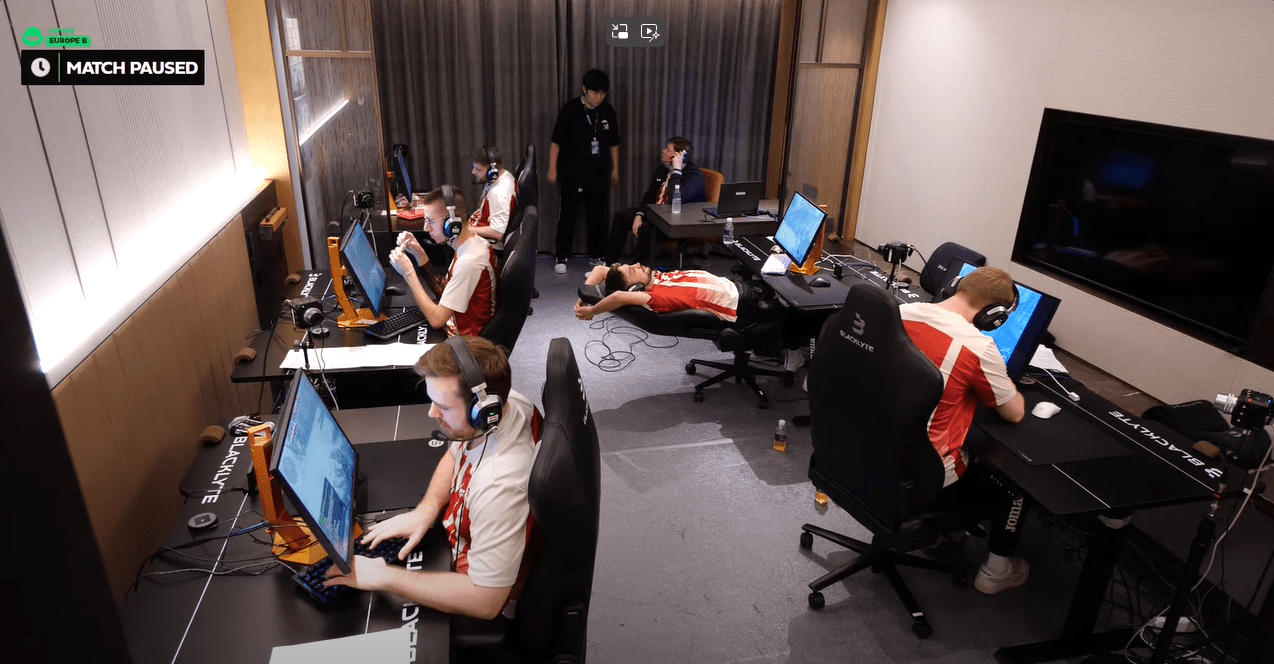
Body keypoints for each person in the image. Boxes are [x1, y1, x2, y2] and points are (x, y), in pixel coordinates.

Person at [324, 336, 538, 620]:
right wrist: (427, 509)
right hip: (458, 544)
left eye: (443, 407)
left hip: (473, 595)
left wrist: (386, 577)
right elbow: (455, 452)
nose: (431, 413)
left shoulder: (499, 484)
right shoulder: (503, 407)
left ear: (483, 412)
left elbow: (486, 602)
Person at [898, 266, 1030, 595]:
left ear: (955, 287)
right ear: (994, 316)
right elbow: (1014, 413)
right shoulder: (978, 347)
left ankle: (950, 535)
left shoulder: (900, 312)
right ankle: (996, 571)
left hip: (866, 446)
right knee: (1014, 481)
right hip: (922, 471)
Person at [389, 186, 499, 337]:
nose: (426, 228)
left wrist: (408, 273)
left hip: (467, 343)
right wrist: (419, 253)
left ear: (452, 224)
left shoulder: (469, 261)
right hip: (460, 328)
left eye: (430, 221)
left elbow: (436, 320)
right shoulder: (470, 244)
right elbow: (445, 291)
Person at [549, 68, 621, 274]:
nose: (599, 97)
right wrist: (552, 168)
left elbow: (614, 143)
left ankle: (597, 255)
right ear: (584, 90)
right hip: (571, 171)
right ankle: (561, 255)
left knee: (598, 215)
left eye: (602, 94)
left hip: (598, 172)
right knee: (568, 215)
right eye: (595, 93)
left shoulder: (607, 111)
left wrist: (615, 168)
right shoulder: (570, 109)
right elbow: (556, 142)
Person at [604, 136, 707, 265]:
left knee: (646, 228)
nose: (663, 151)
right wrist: (639, 214)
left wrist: (676, 171)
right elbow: (649, 195)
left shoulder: (693, 176)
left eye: (668, 149)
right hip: (656, 215)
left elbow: (676, 198)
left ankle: (637, 266)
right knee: (621, 216)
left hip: (673, 223)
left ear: (679, 156)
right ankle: (609, 264)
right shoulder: (663, 168)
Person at [573, 262, 741, 322]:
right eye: (632, 271)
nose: (637, 264)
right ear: (634, 289)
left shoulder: (653, 278)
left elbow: (600, 270)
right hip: (740, 301)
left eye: (631, 265)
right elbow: (618, 296)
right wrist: (591, 312)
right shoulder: (654, 297)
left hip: (732, 284)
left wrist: (584, 297)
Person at [466, 145, 517, 243]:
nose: (473, 172)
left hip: (484, 244)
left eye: (478, 169)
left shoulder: (498, 193)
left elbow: (497, 233)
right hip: (478, 227)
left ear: (492, 171)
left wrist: (465, 230)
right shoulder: (503, 175)